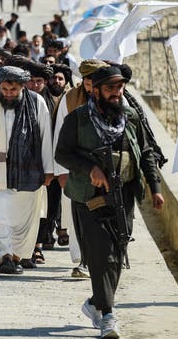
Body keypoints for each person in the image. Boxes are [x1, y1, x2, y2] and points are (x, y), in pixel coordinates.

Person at [55, 65, 164, 338]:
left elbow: (147, 152)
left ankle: (95, 303)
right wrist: (90, 169)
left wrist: (155, 187)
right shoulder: (78, 119)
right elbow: (62, 154)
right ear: (97, 91)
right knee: (101, 255)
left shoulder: (130, 117)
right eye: (110, 88)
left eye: (119, 87)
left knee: (117, 254)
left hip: (123, 194)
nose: (116, 93)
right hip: (89, 198)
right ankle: (107, 316)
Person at [0, 66, 53, 274]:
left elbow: (46, 138)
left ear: (22, 87)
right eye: (5, 89)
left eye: (13, 90)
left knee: (24, 219)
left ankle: (17, 256)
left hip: (29, 171)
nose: (8, 94)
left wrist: (49, 170)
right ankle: (4, 258)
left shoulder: (36, 102)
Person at [53, 58, 108, 278]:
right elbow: (59, 136)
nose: (89, 86)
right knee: (77, 215)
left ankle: (100, 257)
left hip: (104, 169)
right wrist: (61, 171)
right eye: (86, 80)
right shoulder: (70, 99)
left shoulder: (112, 96)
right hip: (75, 168)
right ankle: (82, 259)